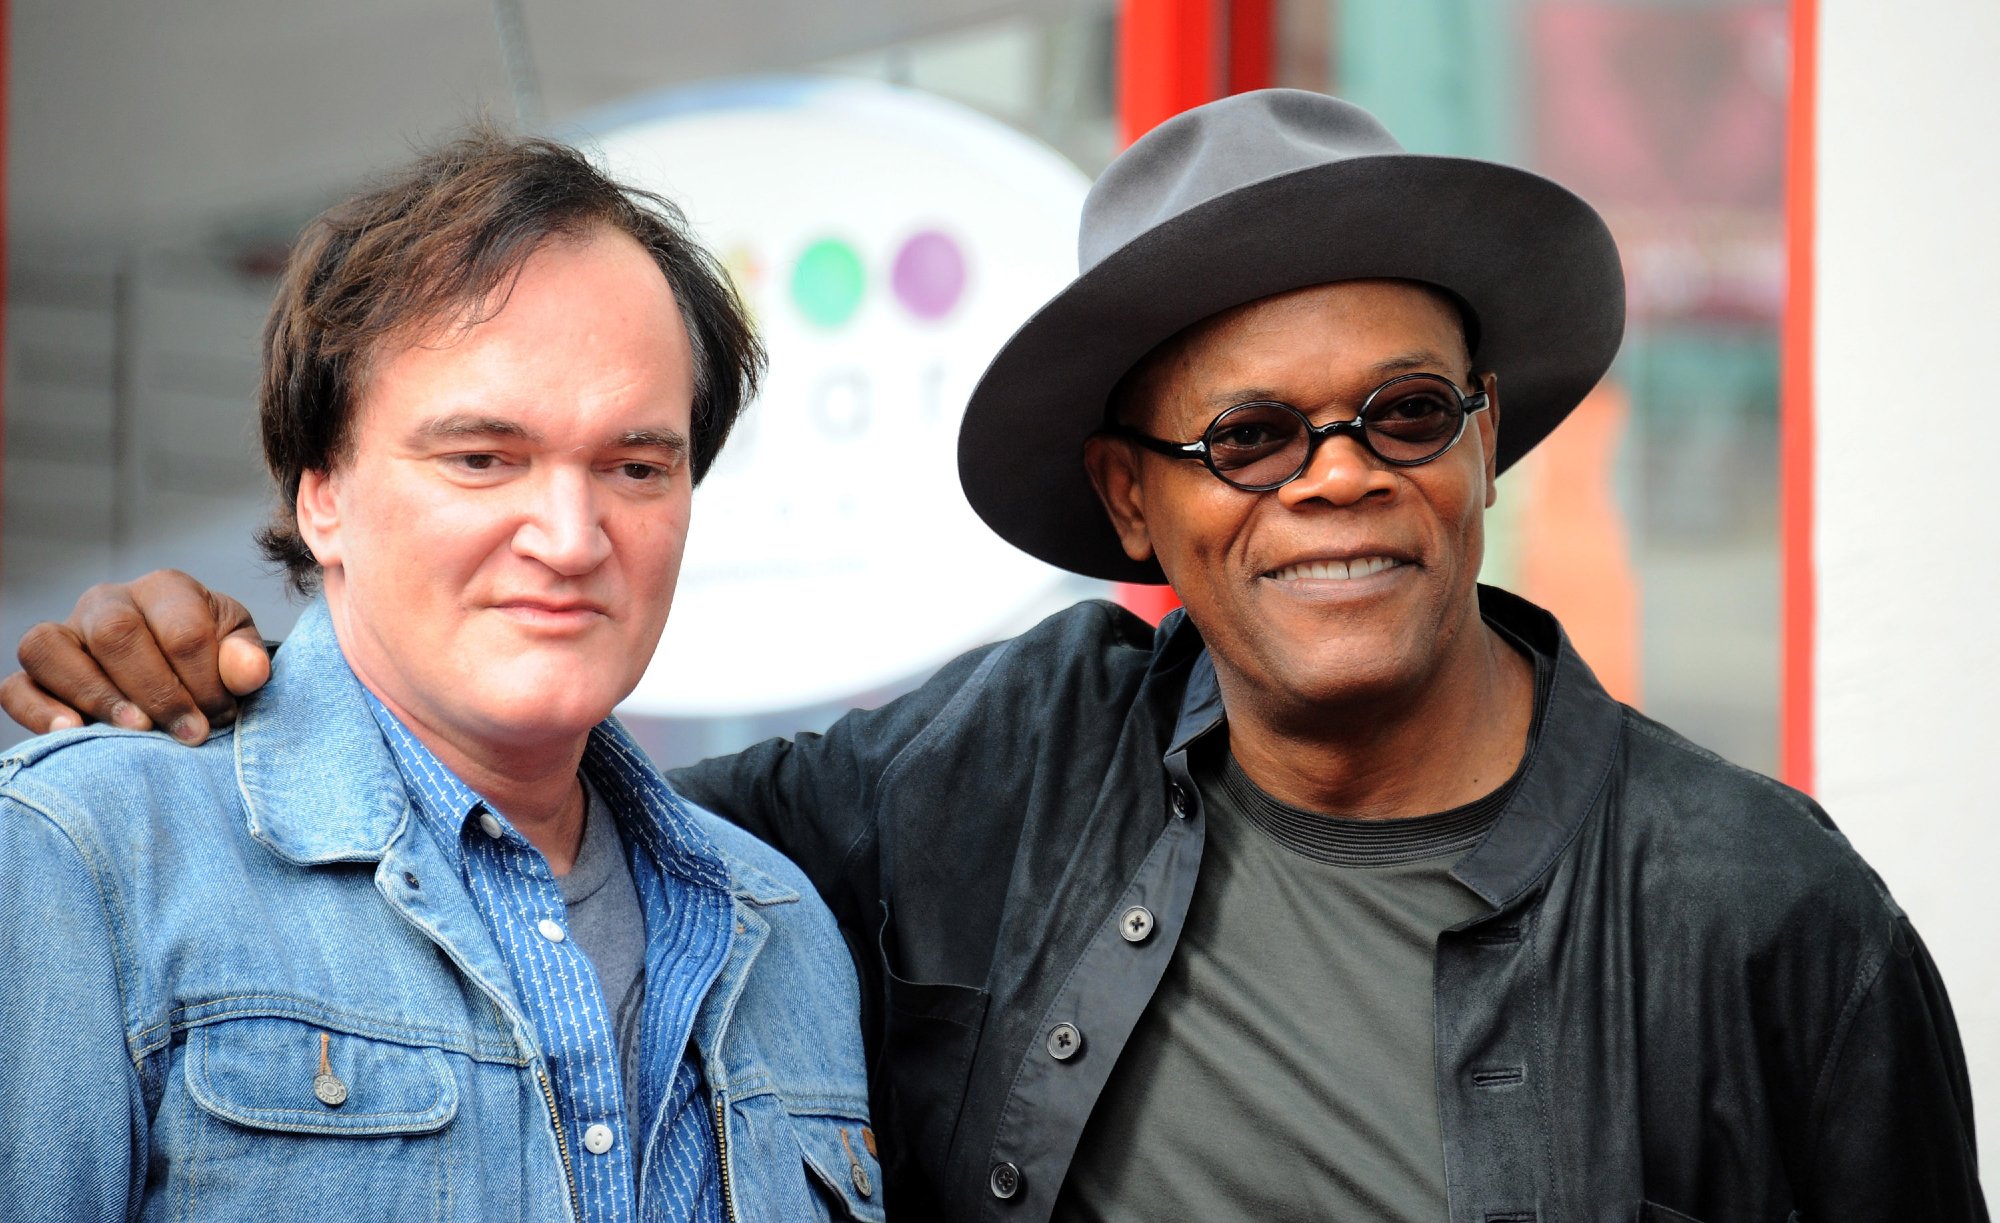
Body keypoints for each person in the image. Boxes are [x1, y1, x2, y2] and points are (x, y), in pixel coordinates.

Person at [5, 91, 1985, 1222]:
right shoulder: (973, 782)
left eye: (1399, 413)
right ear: (1134, 502)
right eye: (1244, 435)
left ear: (1484, 438)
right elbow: (494, 808)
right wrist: (207, 680)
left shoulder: (1760, 910)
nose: (1331, 482)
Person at [0, 131, 882, 1222]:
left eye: (634, 466)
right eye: (481, 457)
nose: (569, 535)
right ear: (320, 492)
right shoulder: (90, 861)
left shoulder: (778, 928)